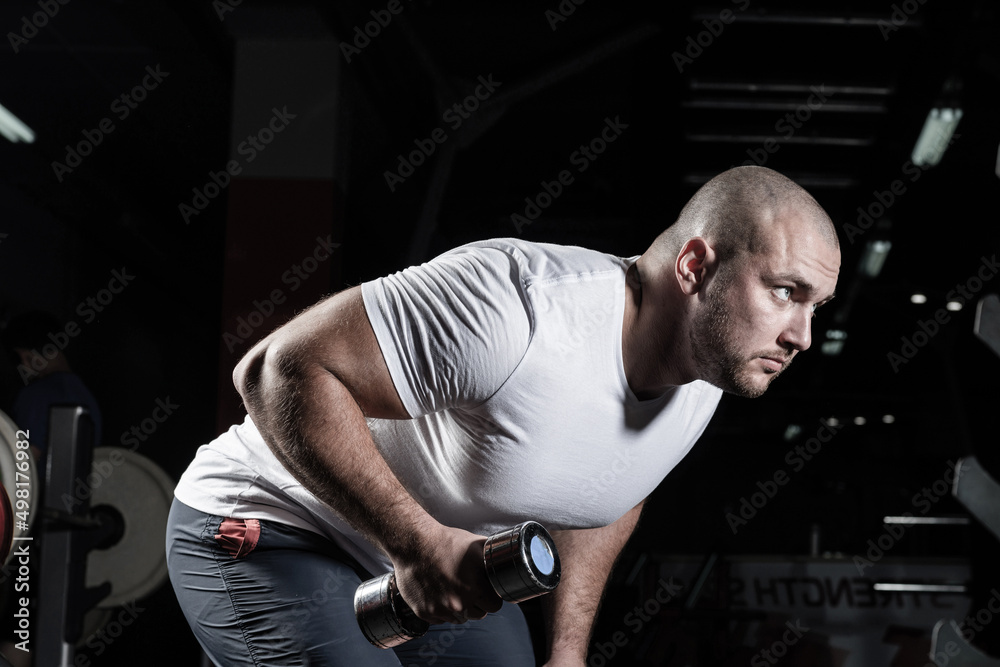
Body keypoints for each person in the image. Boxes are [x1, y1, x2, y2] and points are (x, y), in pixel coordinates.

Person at [166, 165, 840, 666]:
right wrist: (418, 544)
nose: (803, 335)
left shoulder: (704, 376)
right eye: (787, 292)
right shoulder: (519, 306)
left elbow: (609, 493)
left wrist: (567, 652)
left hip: (434, 562)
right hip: (276, 524)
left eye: (817, 307)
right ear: (697, 265)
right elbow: (276, 370)